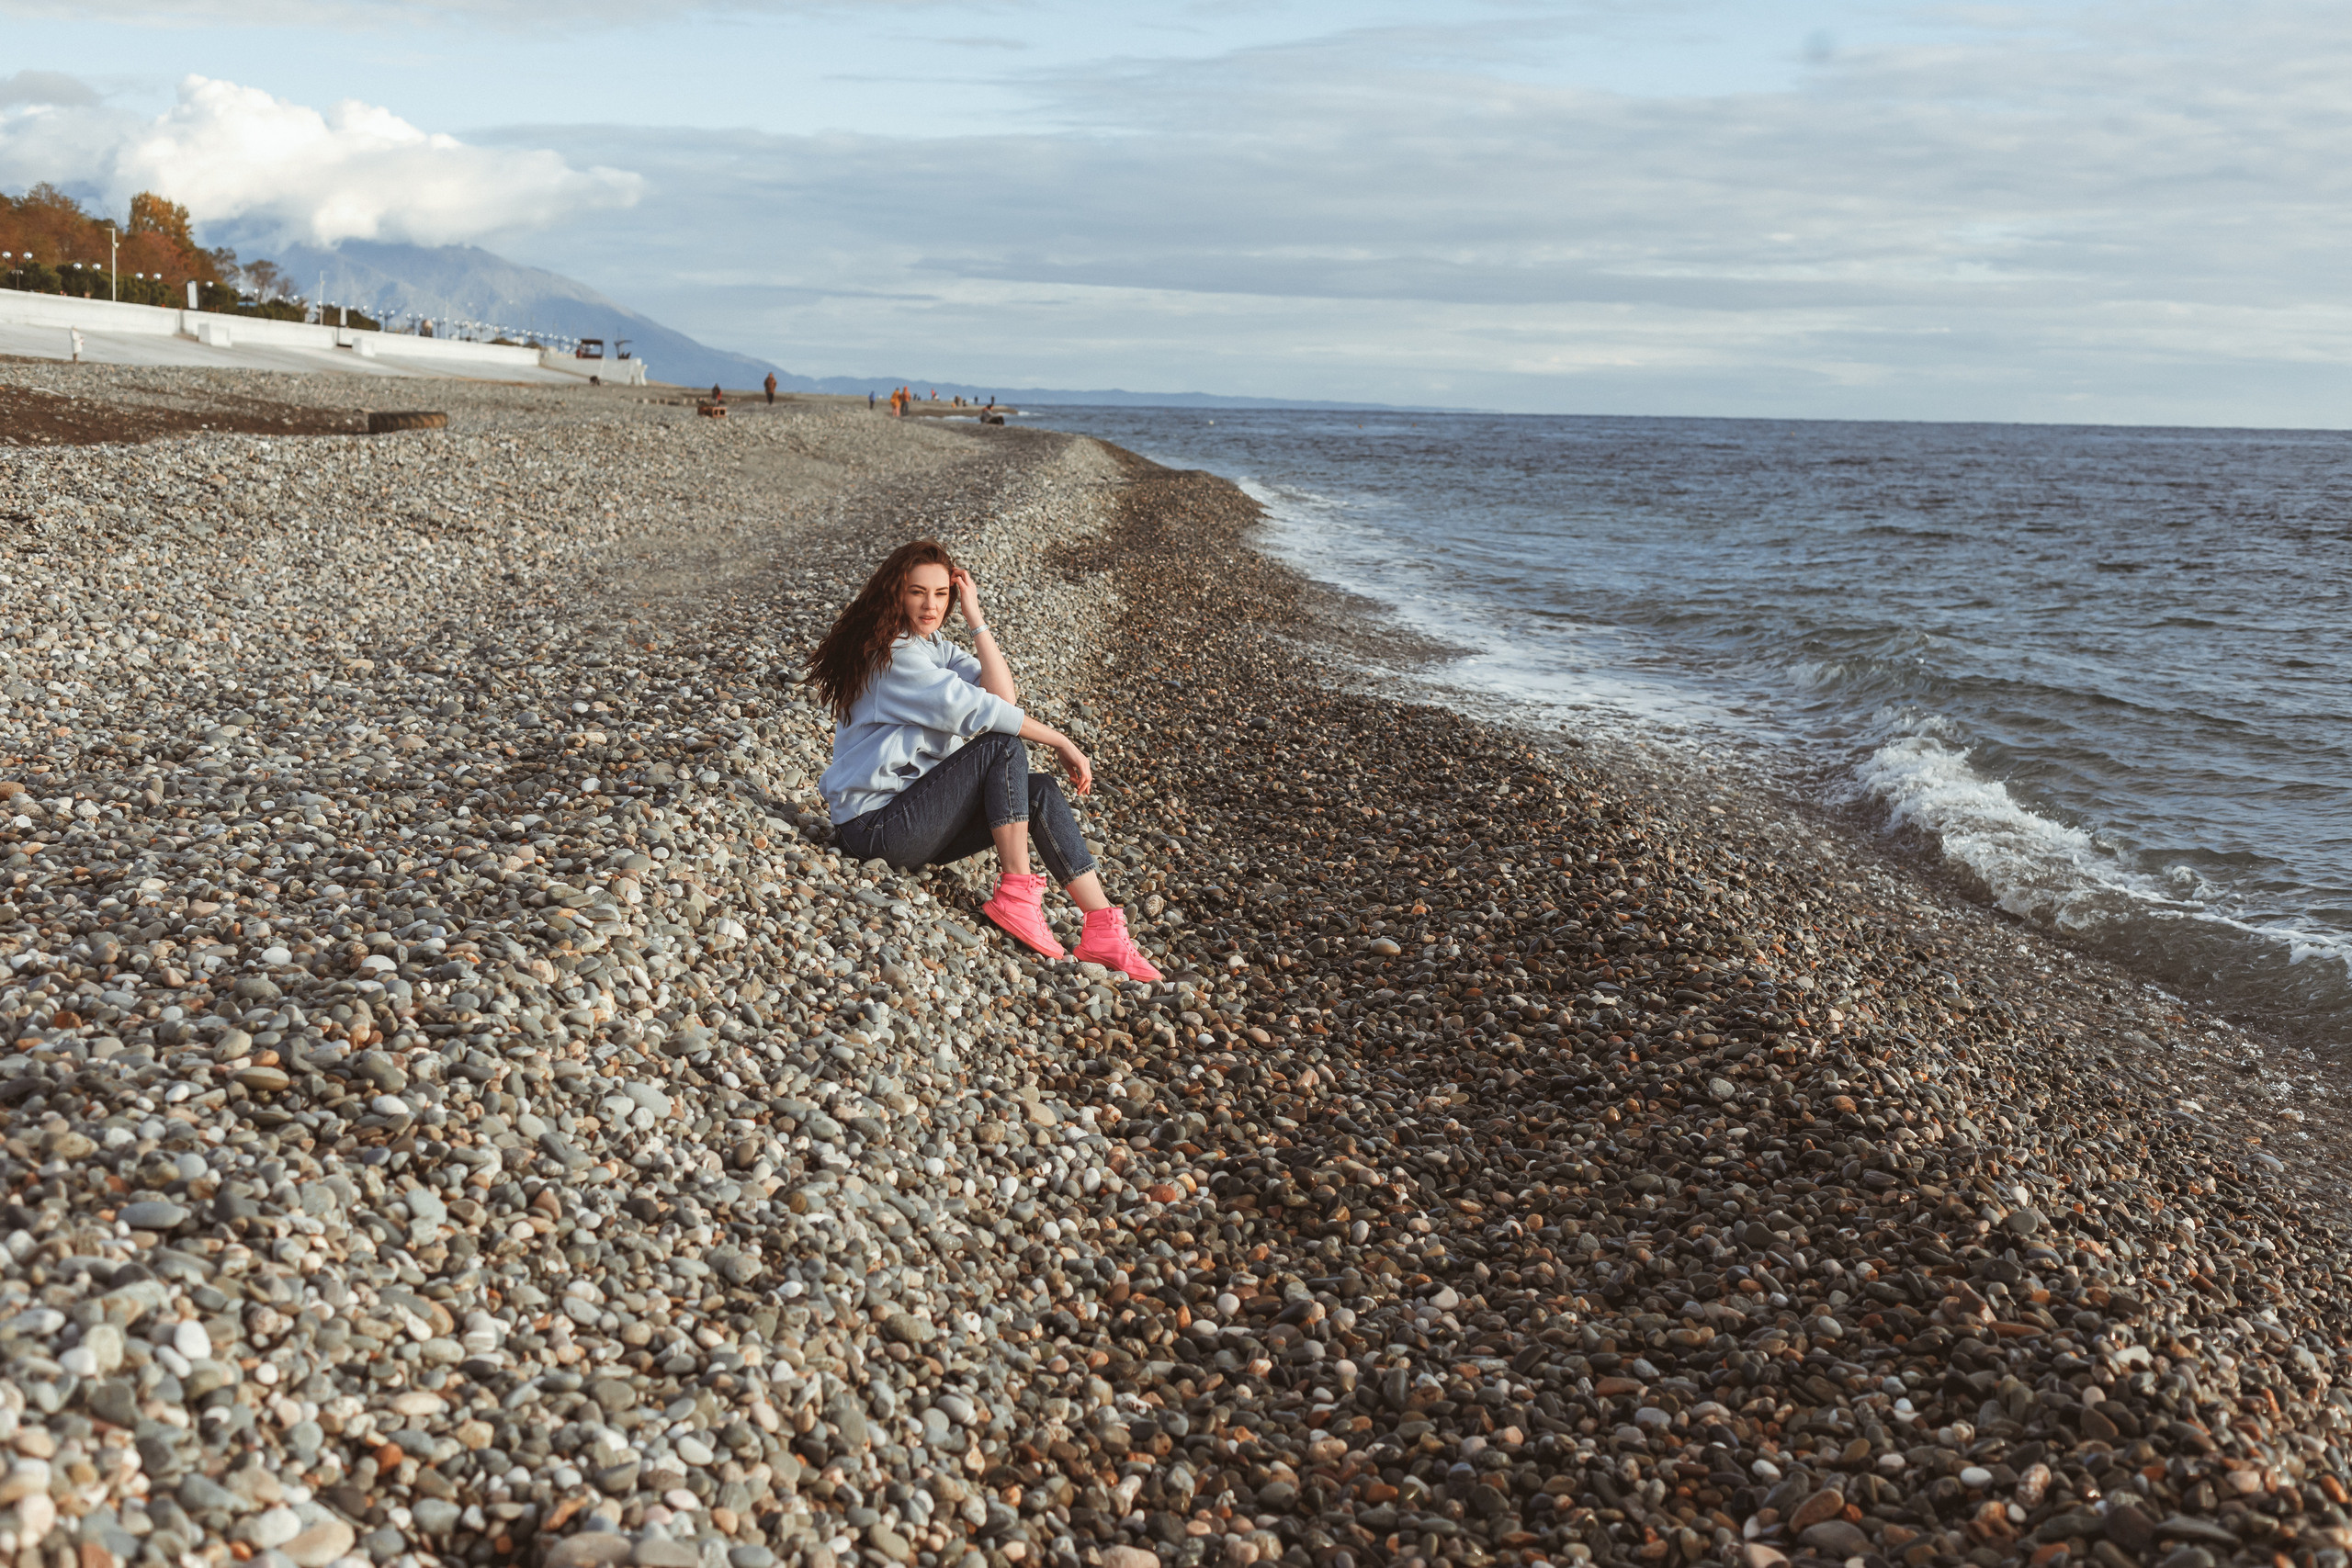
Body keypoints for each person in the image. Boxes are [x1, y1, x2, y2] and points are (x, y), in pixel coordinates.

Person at [809, 540, 1161, 981]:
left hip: (911, 823)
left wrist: (976, 619)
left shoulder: (931, 645)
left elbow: (1001, 696)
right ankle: (1016, 896)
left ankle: (1103, 930)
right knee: (1003, 746)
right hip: (873, 830)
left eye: (941, 594)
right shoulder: (893, 656)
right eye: (917, 592)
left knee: (1040, 792)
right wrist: (1061, 740)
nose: (930, 605)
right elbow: (991, 714)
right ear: (896, 593)